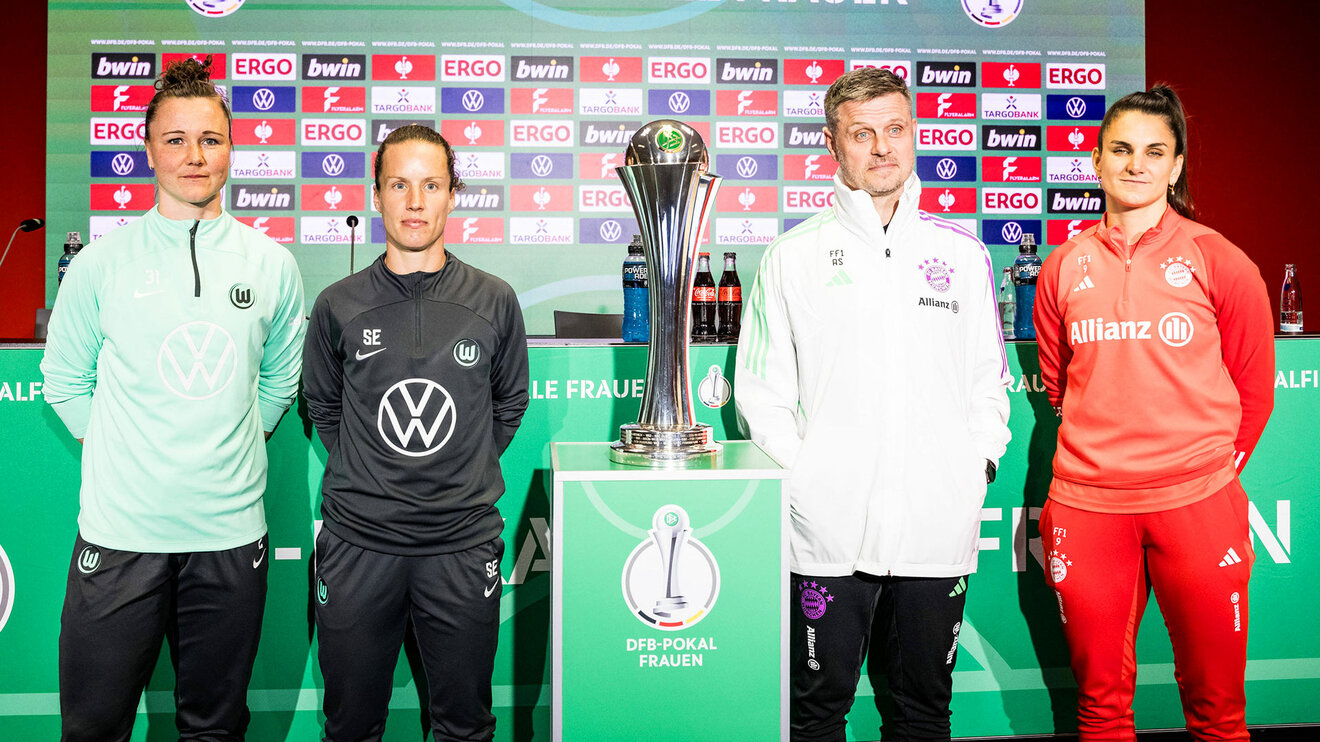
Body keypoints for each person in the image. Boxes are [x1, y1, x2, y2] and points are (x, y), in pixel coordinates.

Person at [735, 67, 1012, 741]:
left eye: (895, 130)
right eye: (862, 134)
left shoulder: (960, 253)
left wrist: (974, 470)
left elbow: (987, 384)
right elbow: (762, 395)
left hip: (936, 532)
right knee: (817, 714)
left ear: (913, 135)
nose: (883, 148)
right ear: (834, 144)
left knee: (922, 713)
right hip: (828, 537)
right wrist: (809, 483)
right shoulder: (793, 257)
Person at [41, 57, 305, 741]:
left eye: (210, 140)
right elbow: (64, 379)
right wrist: (121, 452)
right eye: (177, 139)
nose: (194, 156)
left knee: (212, 731)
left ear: (231, 149)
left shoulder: (271, 264)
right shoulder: (101, 263)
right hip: (120, 539)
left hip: (229, 540)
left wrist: (239, 435)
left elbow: (280, 379)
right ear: (149, 149)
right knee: (93, 728)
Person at [1033, 86, 1275, 741]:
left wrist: (1195, 474)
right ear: (1097, 162)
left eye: (1154, 152)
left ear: (1175, 166)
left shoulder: (1220, 260)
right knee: (1100, 709)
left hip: (1197, 505)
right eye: (1122, 150)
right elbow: (1059, 386)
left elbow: (1255, 392)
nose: (1136, 164)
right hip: (1087, 510)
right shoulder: (1061, 267)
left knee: (1218, 711)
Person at [303, 124, 530, 742]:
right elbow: (324, 406)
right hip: (358, 547)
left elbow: (509, 404)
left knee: (463, 727)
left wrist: (461, 467)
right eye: (399, 184)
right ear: (376, 194)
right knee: (351, 727)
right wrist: (368, 469)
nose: (414, 201)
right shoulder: (337, 303)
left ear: (452, 194)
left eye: (431, 185)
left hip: (460, 545)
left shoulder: (494, 299)